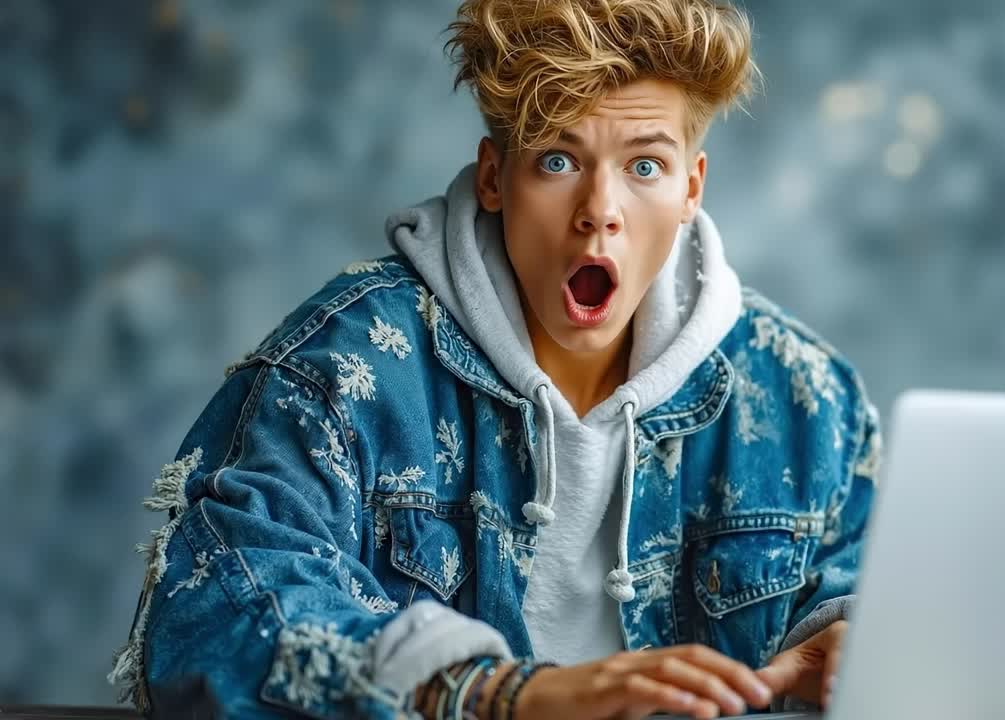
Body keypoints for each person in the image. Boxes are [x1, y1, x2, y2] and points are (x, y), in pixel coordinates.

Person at [110, 0, 881, 717]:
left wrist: (867, 647)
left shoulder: (806, 397)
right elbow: (210, 610)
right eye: (556, 159)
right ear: (493, 176)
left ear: (691, 188)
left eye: (645, 166)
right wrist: (495, 694)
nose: (599, 214)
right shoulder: (343, 369)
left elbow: (873, 592)